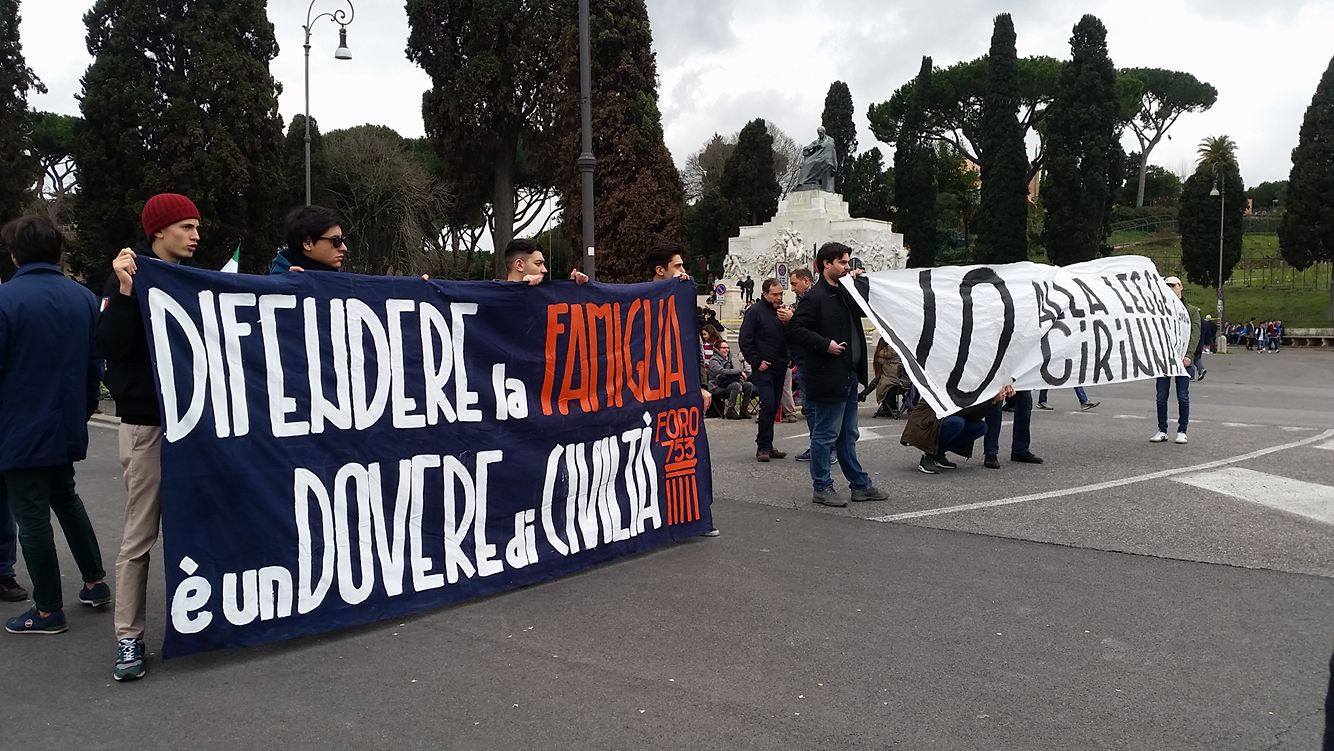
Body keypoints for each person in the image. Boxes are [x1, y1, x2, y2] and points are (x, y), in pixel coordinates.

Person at [98, 192, 202, 679]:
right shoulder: (130, 277)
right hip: (148, 426)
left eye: (197, 227)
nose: (195, 235)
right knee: (139, 536)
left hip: (198, 424)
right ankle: (128, 639)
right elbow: (111, 347)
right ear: (158, 231)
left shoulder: (194, 280)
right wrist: (122, 289)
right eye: (185, 226)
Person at [0, 217, 108, 636]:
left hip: (17, 425)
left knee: (31, 515)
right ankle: (95, 582)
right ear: (59, 250)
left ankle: (47, 610)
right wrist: (81, 409)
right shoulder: (82, 298)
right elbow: (92, 365)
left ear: (14, 253)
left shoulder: (6, 299)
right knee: (66, 497)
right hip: (65, 421)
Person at [785, 242, 889, 507]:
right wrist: (825, 344)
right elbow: (796, 329)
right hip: (827, 377)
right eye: (842, 262)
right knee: (825, 435)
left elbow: (865, 309)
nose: (847, 267)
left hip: (848, 375)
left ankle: (859, 485)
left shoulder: (844, 293)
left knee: (847, 435)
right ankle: (821, 486)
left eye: (848, 262)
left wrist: (858, 283)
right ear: (825, 265)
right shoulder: (814, 296)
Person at [648, 244, 718, 536]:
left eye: (682, 266)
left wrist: (701, 385)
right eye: (677, 267)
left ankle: (695, 514)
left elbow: (693, 349)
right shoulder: (642, 300)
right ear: (660, 270)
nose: (683, 272)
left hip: (681, 390)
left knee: (688, 452)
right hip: (651, 393)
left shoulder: (683, 300)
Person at [902, 386, 1014, 474]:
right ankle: (928, 455)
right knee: (956, 422)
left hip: (946, 419)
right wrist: (990, 400)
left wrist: (993, 401)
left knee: (980, 427)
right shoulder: (951, 379)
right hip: (927, 421)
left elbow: (973, 416)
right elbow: (960, 410)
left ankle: (939, 453)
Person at [739, 279, 791, 462]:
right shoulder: (755, 312)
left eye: (781, 294)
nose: (778, 298)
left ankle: (768, 445)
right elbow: (745, 339)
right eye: (775, 294)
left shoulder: (782, 312)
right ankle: (762, 447)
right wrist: (756, 362)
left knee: (774, 405)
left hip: (780, 365)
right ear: (765, 294)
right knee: (768, 403)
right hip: (764, 367)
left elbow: (788, 336)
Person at [1151, 276, 1200, 445]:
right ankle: (1162, 429)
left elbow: (1195, 334)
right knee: (1161, 396)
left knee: (1182, 396)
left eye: (1173, 285)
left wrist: (1189, 355)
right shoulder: (1160, 310)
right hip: (1165, 359)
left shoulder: (1191, 310)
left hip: (1183, 359)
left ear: (1181, 287)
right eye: (1167, 286)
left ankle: (1182, 431)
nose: (1170, 288)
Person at [269, 205, 350, 273]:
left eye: (343, 240)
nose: (344, 248)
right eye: (336, 241)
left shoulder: (343, 283)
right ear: (308, 243)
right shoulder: (276, 286)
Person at [984, 385, 1043, 469]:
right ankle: (990, 453)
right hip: (1000, 372)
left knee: (1025, 403)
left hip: (1019, 373)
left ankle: (1020, 450)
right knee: (996, 404)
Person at [501, 237, 589, 285]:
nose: (545, 270)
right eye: (538, 263)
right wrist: (520, 289)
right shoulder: (492, 299)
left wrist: (571, 289)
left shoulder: (544, 297)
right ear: (519, 265)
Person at [706, 341, 756, 420]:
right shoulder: (713, 361)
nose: (727, 350)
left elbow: (733, 374)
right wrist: (739, 372)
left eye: (727, 348)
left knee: (748, 385)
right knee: (735, 385)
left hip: (727, 383)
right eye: (724, 348)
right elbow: (721, 372)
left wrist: (740, 382)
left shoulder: (729, 359)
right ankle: (730, 410)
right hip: (716, 386)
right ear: (718, 349)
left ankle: (743, 409)